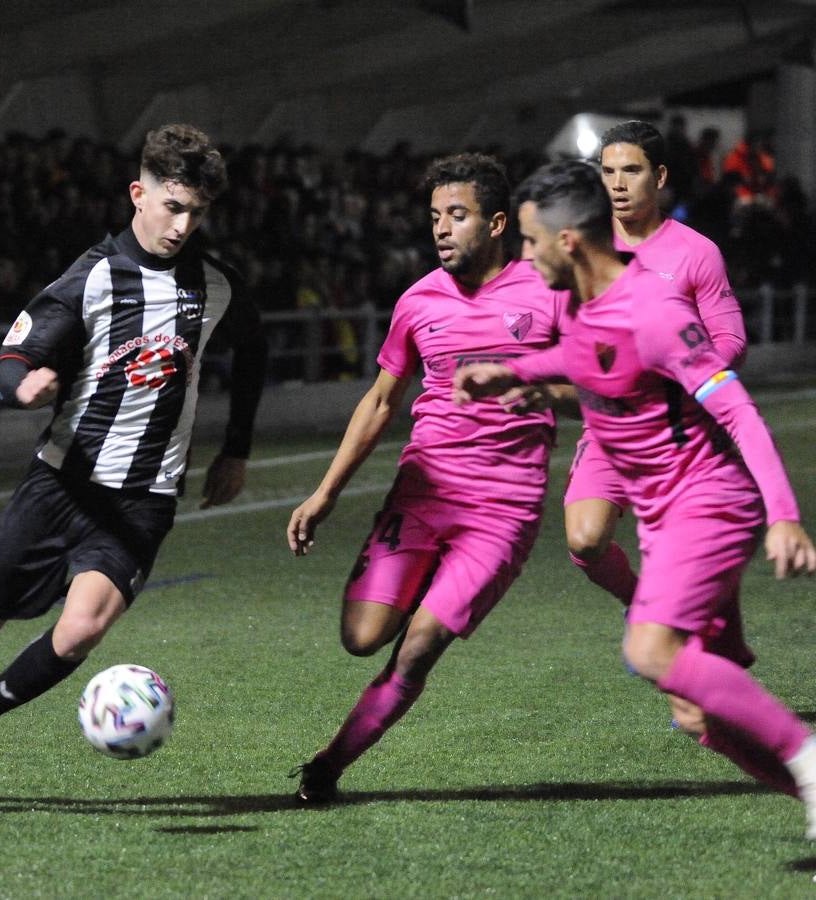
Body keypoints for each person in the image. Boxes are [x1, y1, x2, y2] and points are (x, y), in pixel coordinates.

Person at [0, 123, 268, 804]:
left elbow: (254, 350)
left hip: (144, 498)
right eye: (172, 206)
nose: (182, 224)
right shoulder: (94, 277)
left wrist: (239, 446)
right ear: (138, 193)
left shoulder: (216, 286)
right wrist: (20, 386)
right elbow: (13, 357)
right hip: (60, 484)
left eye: (196, 212)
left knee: (81, 629)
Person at [453, 159, 816, 839]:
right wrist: (512, 370)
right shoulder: (595, 305)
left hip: (706, 503)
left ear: (567, 243)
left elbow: (736, 409)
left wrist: (786, 516)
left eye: (530, 244)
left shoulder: (656, 309)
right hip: (660, 518)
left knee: (650, 650)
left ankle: (808, 757)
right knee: (697, 714)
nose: (523, 260)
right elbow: (587, 356)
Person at [285, 153, 571, 804]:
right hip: (422, 493)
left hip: (504, 509)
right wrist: (326, 492)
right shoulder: (418, 301)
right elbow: (382, 402)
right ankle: (419, 592)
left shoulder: (549, 292)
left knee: (416, 651)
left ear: (498, 223)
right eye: (436, 216)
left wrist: (544, 390)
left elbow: (602, 385)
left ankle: (327, 767)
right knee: (362, 638)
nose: (442, 228)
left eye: (458, 215)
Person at [559, 121, 746, 615]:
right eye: (608, 172)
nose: (617, 184)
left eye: (631, 171)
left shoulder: (695, 252)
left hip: (682, 436)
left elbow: (730, 338)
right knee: (584, 540)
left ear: (659, 176)